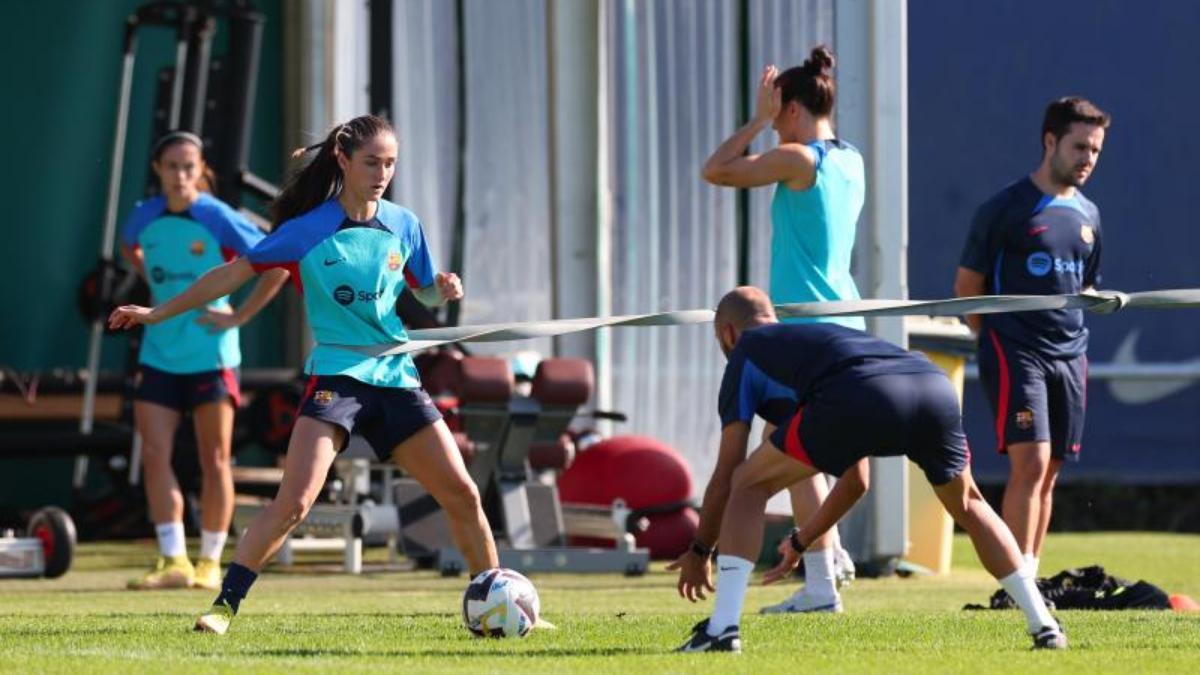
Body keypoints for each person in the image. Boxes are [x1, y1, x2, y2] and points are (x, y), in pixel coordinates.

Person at [110, 114, 500, 634]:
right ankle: (222, 608)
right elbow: (230, 273)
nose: (382, 172)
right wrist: (158, 313)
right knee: (293, 503)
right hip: (337, 377)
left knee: (463, 494)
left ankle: (499, 602)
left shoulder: (405, 225)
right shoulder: (308, 229)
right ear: (342, 159)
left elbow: (423, 292)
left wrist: (442, 288)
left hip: (396, 377)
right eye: (371, 162)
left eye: (390, 163)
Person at [675, 286, 1066, 653]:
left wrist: (699, 549)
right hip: (933, 385)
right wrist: (800, 541)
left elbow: (728, 473)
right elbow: (856, 480)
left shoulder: (748, 352)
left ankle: (721, 629)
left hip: (864, 393)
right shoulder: (817, 347)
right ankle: (1043, 623)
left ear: (727, 333)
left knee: (747, 482)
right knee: (969, 503)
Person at [680, 45, 863, 615]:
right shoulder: (851, 157)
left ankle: (819, 569)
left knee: (780, 452)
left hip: (806, 326)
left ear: (790, 107)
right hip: (846, 317)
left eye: (776, 109)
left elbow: (715, 170)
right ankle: (822, 572)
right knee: (790, 447)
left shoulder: (800, 158)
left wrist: (759, 121)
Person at [119, 130, 289, 591]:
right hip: (158, 355)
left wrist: (241, 316)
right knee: (154, 455)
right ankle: (173, 558)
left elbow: (276, 264)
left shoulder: (217, 217)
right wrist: (155, 286)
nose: (180, 175)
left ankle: (211, 561)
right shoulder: (142, 217)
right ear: (158, 169)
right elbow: (130, 248)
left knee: (215, 459)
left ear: (202, 171)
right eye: (172, 166)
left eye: (189, 167)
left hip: (212, 357)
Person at [954, 97, 1109, 579]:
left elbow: (1084, 286)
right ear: (1049, 142)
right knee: (1031, 462)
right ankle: (1014, 585)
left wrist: (1101, 298)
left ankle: (1031, 578)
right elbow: (967, 289)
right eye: (1079, 146)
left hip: (1071, 355)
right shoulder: (1004, 210)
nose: (1088, 158)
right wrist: (997, 340)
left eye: (1096, 150)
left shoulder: (1089, 215)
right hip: (1017, 351)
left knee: (1051, 471)